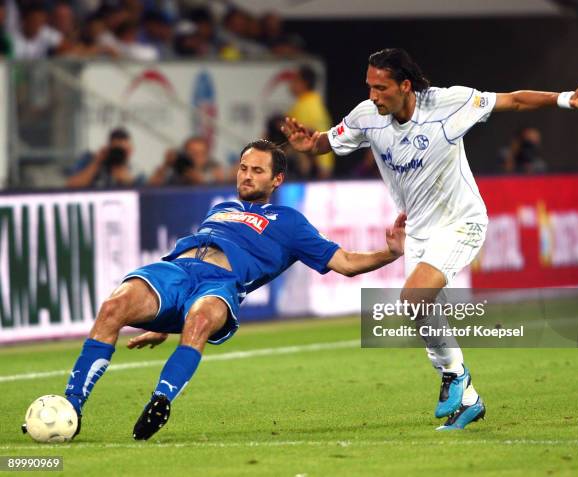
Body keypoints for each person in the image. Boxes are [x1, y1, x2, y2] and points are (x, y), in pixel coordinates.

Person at [282, 48, 578, 430]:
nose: (373, 95)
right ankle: (468, 399)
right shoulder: (367, 117)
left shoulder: (450, 104)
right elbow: (327, 142)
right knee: (417, 308)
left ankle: (454, 375)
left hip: (461, 220)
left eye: (380, 88)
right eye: (369, 86)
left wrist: (566, 99)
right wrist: (309, 144)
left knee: (413, 296)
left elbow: (513, 101)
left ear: (405, 85)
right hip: (419, 228)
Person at [60, 139, 406, 440]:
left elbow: (344, 262)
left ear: (276, 179)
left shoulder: (290, 222)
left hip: (220, 285)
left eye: (257, 170)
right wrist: (160, 325)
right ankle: (71, 407)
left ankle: (161, 400)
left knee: (197, 322)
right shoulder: (222, 208)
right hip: (177, 270)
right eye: (243, 168)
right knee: (113, 308)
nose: (247, 175)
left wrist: (390, 253)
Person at [287, 65, 335, 179]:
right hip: (324, 163)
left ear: (303, 83)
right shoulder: (314, 101)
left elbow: (307, 135)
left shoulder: (306, 105)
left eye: (294, 81)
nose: (290, 85)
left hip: (317, 166)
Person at [66, 127, 144, 188]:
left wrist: (129, 181)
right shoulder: (89, 160)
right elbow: (72, 185)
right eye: (115, 150)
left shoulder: (136, 172)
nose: (118, 154)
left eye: (122, 151)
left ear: (130, 150)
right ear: (108, 148)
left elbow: (145, 195)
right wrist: (96, 162)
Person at [148, 136, 225, 186]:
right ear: (185, 153)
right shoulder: (174, 170)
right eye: (194, 153)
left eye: (202, 153)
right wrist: (166, 165)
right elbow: (150, 187)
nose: (198, 157)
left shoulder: (214, 170)